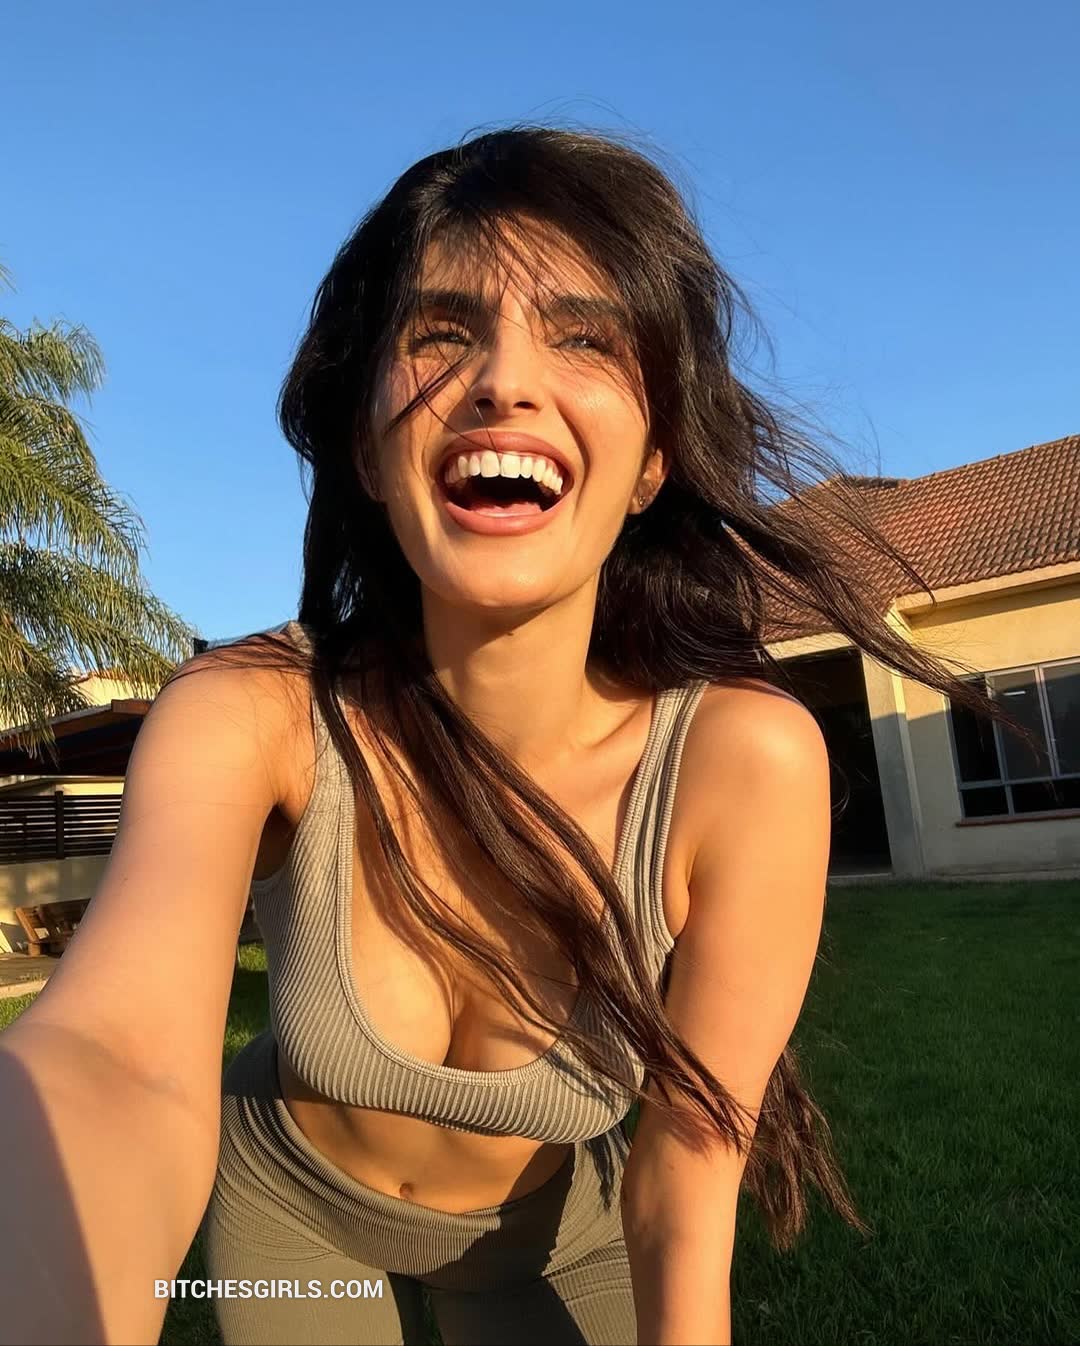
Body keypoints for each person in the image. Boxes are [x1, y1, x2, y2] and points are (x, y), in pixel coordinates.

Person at [0, 124, 1025, 1346]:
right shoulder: (252, 712)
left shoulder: (742, 761)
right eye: (442, 332)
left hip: (554, 1231)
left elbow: (689, 1164)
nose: (504, 380)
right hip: (294, 1218)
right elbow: (119, 1058)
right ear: (369, 444)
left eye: (585, 336)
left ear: (653, 460)